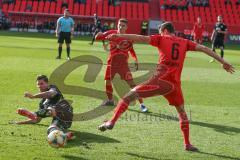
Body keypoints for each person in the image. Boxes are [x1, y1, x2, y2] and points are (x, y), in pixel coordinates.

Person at [98, 22, 234, 151]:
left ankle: (111, 122)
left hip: (159, 81)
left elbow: (140, 38)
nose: (159, 34)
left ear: (164, 31)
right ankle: (187, 144)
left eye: (160, 32)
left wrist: (119, 36)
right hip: (174, 85)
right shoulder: (185, 42)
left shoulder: (161, 38)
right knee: (182, 112)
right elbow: (204, 48)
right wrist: (223, 62)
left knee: (128, 96)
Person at [95, 18, 148, 112]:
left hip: (123, 65)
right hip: (111, 63)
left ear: (126, 27)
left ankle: (142, 104)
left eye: (123, 25)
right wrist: (98, 35)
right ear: (117, 25)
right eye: (119, 25)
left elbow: (131, 50)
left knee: (132, 84)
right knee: (107, 81)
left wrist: (135, 60)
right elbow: (99, 37)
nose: (120, 27)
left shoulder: (129, 37)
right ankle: (110, 100)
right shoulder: (111, 32)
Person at [11, 75, 74, 140]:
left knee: (51, 109)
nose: (39, 86)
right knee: (51, 130)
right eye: (38, 84)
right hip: (61, 120)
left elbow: (50, 93)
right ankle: (65, 136)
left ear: (47, 83)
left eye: (42, 83)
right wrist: (20, 122)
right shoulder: (42, 103)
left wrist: (33, 96)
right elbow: (36, 120)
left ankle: (33, 113)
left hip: (66, 112)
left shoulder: (53, 88)